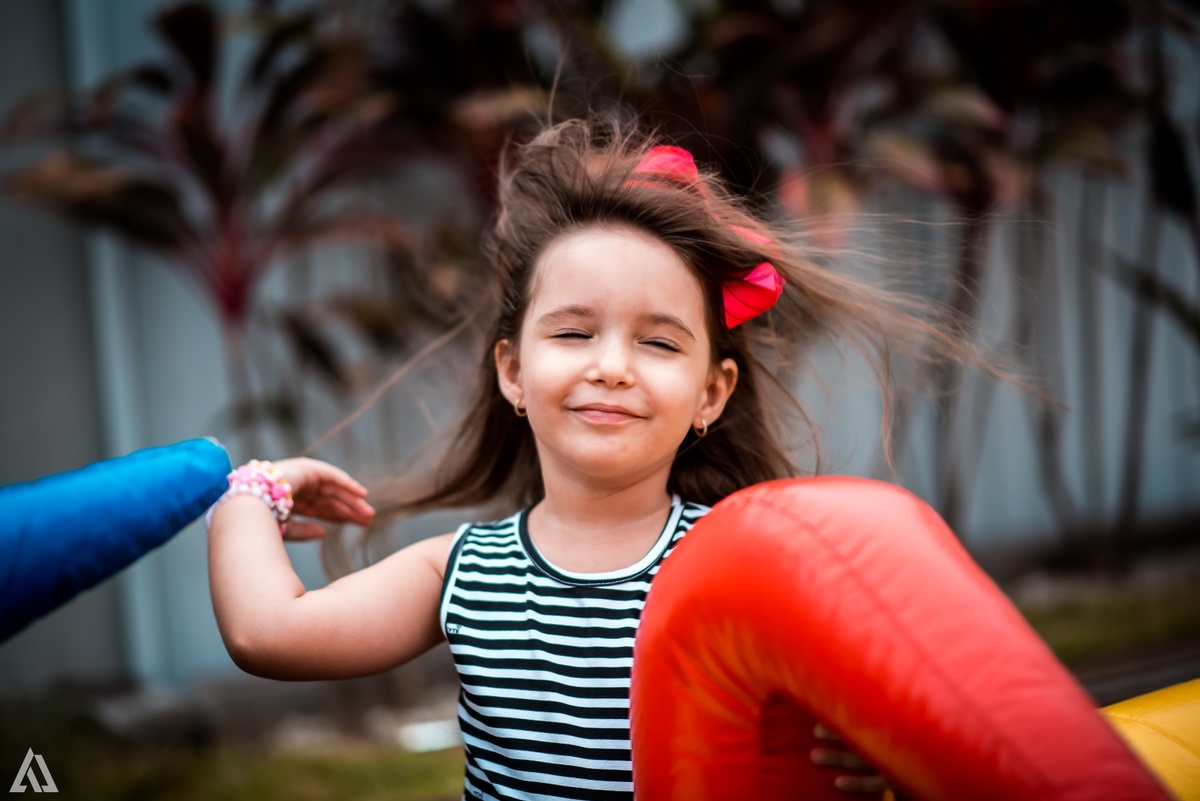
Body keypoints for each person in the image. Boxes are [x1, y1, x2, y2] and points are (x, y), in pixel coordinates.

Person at [207, 118, 967, 799]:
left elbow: (900, 706)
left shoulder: (746, 566)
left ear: (711, 392)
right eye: (574, 332)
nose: (611, 365)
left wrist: (871, 749)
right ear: (512, 370)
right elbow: (267, 633)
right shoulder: (461, 574)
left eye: (660, 342)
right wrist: (252, 491)